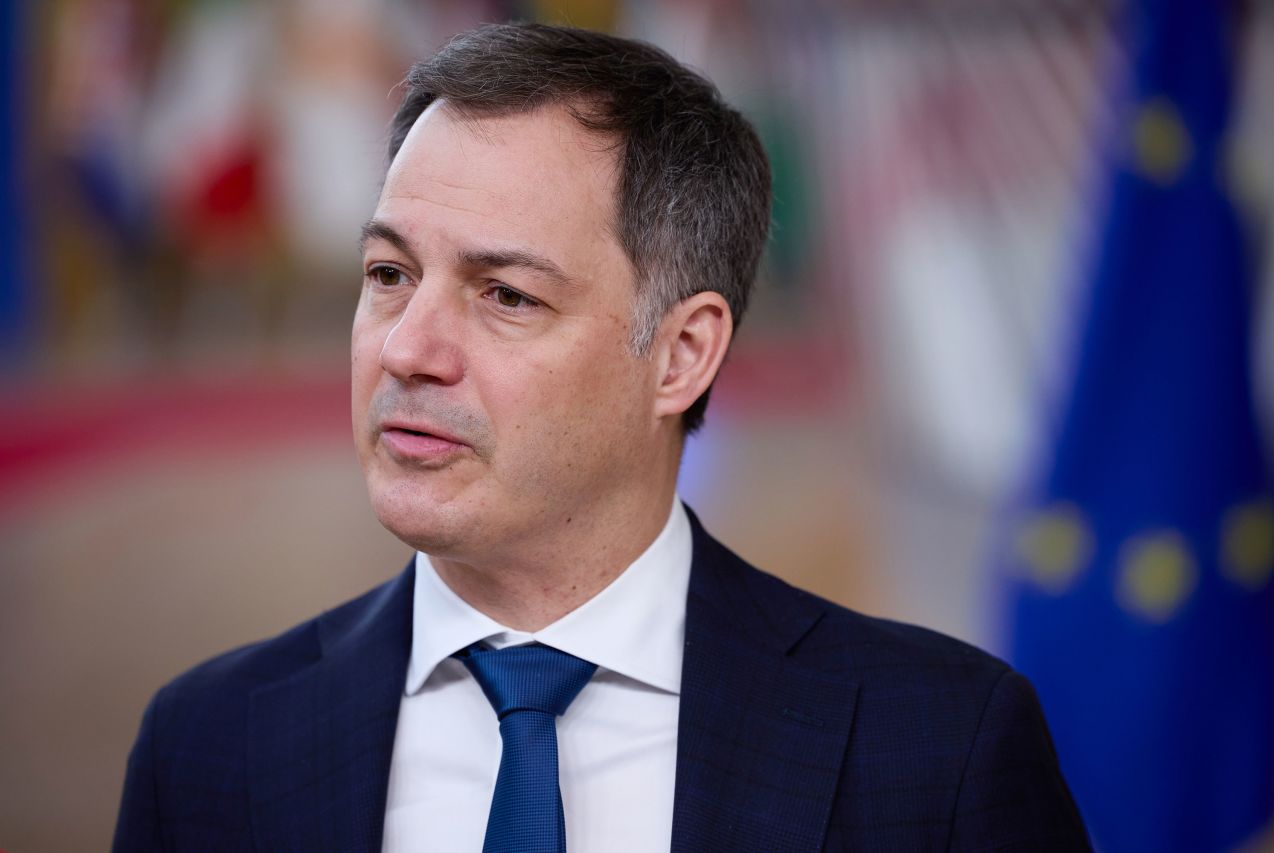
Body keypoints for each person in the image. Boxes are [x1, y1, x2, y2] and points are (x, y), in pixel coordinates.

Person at [113, 22, 1089, 852]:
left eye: (504, 294)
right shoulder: (206, 748)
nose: (407, 349)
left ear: (680, 354)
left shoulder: (937, 750)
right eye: (387, 274)